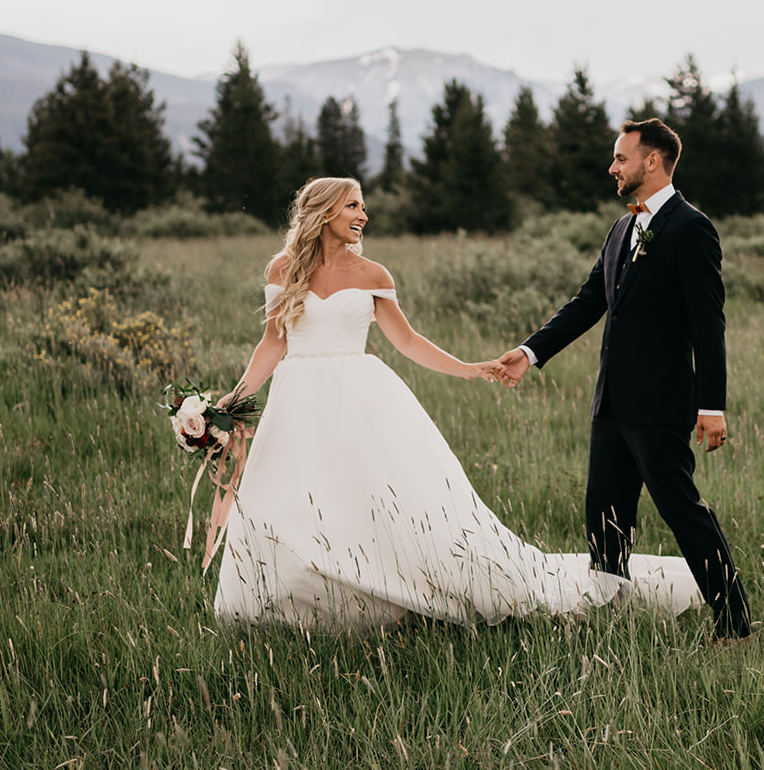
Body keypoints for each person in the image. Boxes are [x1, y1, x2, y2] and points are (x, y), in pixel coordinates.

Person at [210, 176, 700, 629]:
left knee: (366, 497)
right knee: (292, 496)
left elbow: (407, 341)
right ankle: (287, 600)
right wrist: (230, 404)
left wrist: (470, 367)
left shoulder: (372, 272)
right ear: (324, 211)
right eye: (353, 205)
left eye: (364, 205)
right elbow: (273, 343)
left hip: (357, 397)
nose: (364, 214)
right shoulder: (284, 269)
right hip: (297, 399)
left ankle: (379, 595)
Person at [497, 118, 758, 639]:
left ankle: (735, 624)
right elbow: (588, 303)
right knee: (605, 513)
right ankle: (608, 612)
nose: (613, 167)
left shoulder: (691, 227)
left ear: (652, 160)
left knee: (681, 509)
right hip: (611, 402)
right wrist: (531, 352)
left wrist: (712, 405)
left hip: (661, 403)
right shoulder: (622, 227)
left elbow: (709, 326)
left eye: (621, 158)